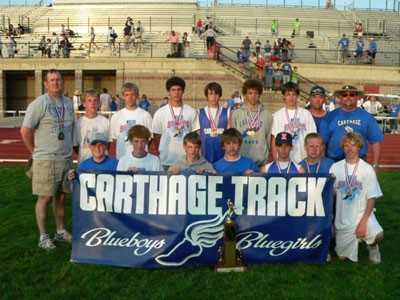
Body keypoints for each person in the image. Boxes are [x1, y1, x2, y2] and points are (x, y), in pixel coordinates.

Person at [20, 69, 75, 250]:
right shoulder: (39, 103)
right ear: (45, 84)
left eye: (58, 79)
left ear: (63, 82)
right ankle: (43, 236)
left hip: (65, 158)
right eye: (51, 80)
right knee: (44, 197)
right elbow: (25, 130)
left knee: (61, 196)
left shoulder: (68, 103)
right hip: (45, 158)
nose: (55, 83)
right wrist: (33, 151)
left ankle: (60, 231)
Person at [329, 132, 384, 264]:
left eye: (353, 145)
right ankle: (346, 236)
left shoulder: (367, 169)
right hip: (344, 218)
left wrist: (364, 222)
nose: (350, 149)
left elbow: (372, 198)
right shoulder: (335, 167)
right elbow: (332, 195)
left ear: (359, 147)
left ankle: (372, 246)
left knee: (378, 235)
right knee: (342, 257)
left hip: (362, 214)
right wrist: (330, 186)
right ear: (343, 147)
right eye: (347, 145)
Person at [320, 86, 384, 172]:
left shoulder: (366, 117)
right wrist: (323, 165)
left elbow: (376, 141)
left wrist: (375, 165)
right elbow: (322, 142)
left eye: (352, 95)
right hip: (334, 162)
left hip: (359, 163)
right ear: (341, 97)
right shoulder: (330, 117)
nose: (348, 97)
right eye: (345, 95)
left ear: (357, 97)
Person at [152, 76, 200, 170]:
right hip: (166, 160)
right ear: (168, 92)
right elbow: (157, 137)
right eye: (173, 90)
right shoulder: (160, 112)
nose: (176, 93)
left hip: (186, 161)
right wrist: (163, 151)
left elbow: (195, 135)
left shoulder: (191, 111)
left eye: (179, 90)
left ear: (183, 91)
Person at [231, 79, 273, 168]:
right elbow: (234, 138)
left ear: (259, 94)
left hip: (261, 163)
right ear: (245, 94)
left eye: (256, 93)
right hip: (241, 162)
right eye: (250, 93)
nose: (253, 96)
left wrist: (265, 155)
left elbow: (268, 139)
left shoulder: (267, 115)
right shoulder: (237, 114)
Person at [271, 82, 317, 164]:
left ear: (297, 96)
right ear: (284, 96)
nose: (291, 97)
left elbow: (312, 138)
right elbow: (275, 139)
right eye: (288, 94)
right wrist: (275, 160)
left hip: (303, 158)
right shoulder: (278, 115)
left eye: (294, 94)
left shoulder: (306, 114)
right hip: (283, 159)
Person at [110, 82, 153, 159]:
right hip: (122, 158)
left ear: (137, 95)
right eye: (127, 95)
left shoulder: (145, 115)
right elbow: (115, 138)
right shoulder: (116, 116)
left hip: (141, 158)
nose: (130, 98)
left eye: (132, 94)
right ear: (123, 96)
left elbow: (149, 138)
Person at [73, 89, 112, 165]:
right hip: (84, 162)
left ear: (99, 103)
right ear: (84, 104)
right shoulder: (79, 123)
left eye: (95, 100)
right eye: (89, 100)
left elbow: (108, 143)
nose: (93, 103)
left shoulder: (105, 121)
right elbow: (76, 145)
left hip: (102, 163)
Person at [199, 82, 230, 164]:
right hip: (205, 155)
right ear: (206, 95)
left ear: (220, 95)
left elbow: (230, 135)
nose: (213, 97)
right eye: (210, 94)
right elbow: (198, 135)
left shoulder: (227, 112)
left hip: (222, 155)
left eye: (216, 93)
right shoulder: (200, 113)